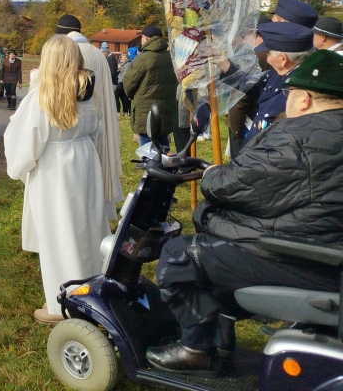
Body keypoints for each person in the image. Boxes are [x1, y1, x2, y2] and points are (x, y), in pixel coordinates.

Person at [146, 49, 343, 377]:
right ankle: (221, 343)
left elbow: (231, 186)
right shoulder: (327, 133)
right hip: (323, 247)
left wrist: (211, 174)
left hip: (307, 257)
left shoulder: (297, 138)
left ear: (305, 98)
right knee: (215, 243)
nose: (287, 100)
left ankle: (196, 350)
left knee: (180, 257)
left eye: (290, 93)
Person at [3, 35, 109, 325]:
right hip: (85, 164)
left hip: (55, 172)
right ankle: (89, 294)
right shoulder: (88, 92)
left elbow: (26, 140)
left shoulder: (42, 98)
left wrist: (19, 168)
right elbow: (97, 133)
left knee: (59, 234)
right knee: (87, 231)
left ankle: (62, 302)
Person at [54, 15, 123, 219]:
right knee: (99, 165)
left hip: (75, 127)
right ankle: (100, 211)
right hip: (99, 121)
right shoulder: (97, 52)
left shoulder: (65, 52)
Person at [217, 21, 314, 145]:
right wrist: (224, 65)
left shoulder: (297, 89)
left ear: (283, 59)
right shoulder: (282, 74)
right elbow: (256, 87)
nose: (266, 58)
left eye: (267, 53)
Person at [122, 25, 178, 153]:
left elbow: (129, 84)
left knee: (147, 148)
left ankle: (150, 162)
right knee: (163, 144)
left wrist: (133, 95)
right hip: (166, 108)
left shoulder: (143, 58)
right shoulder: (170, 57)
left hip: (146, 110)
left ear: (146, 39)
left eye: (141, 37)